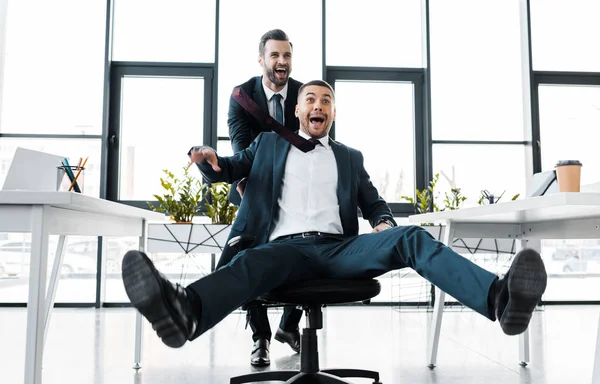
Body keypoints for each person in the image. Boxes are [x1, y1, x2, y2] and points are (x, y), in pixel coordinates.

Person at [121, 80, 548, 357]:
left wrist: (382, 222)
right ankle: (186, 311)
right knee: (250, 263)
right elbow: (228, 169)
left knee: (411, 237)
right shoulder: (269, 145)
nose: (318, 105)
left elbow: (373, 202)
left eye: (327, 100)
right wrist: (209, 161)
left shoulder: (348, 157)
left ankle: (499, 298)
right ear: (299, 112)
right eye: (310, 99)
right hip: (283, 250)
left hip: (340, 249)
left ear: (333, 114)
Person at [224, 29, 304, 366]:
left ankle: (289, 325)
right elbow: (241, 147)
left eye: (286, 55)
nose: (281, 61)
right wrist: (247, 186)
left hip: (300, 190)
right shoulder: (242, 96)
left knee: (305, 252)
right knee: (247, 255)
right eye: (275, 55)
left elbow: (320, 140)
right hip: (253, 186)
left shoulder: (305, 93)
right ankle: (261, 337)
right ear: (262, 60)